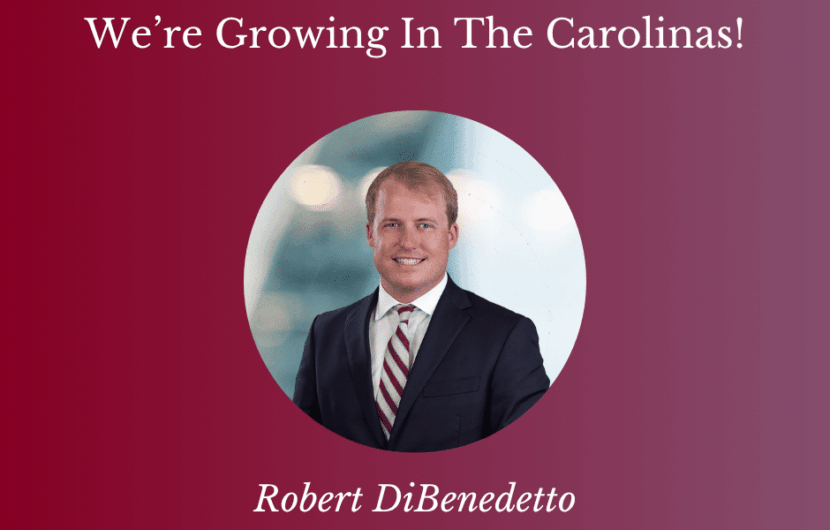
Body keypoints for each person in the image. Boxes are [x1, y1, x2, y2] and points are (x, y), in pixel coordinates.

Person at [293, 160, 549, 452]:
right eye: (392, 225)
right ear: (370, 234)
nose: (408, 242)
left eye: (425, 225)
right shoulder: (325, 333)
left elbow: (530, 451)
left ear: (451, 235)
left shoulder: (504, 336)